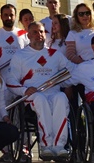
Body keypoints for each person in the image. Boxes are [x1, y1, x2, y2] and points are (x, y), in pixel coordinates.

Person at [6, 22, 76, 158]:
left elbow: (72, 71)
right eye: (35, 32)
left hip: (53, 93)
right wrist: (24, 90)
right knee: (40, 99)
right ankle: (46, 145)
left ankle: (59, 145)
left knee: (62, 98)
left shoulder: (55, 54)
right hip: (32, 96)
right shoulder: (20, 56)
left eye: (42, 32)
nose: (39, 35)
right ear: (28, 35)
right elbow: (11, 80)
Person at [0, 4, 28, 70]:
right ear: (1, 17)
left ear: (15, 16)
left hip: (19, 76)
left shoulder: (23, 34)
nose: (9, 18)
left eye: (11, 15)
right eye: (6, 15)